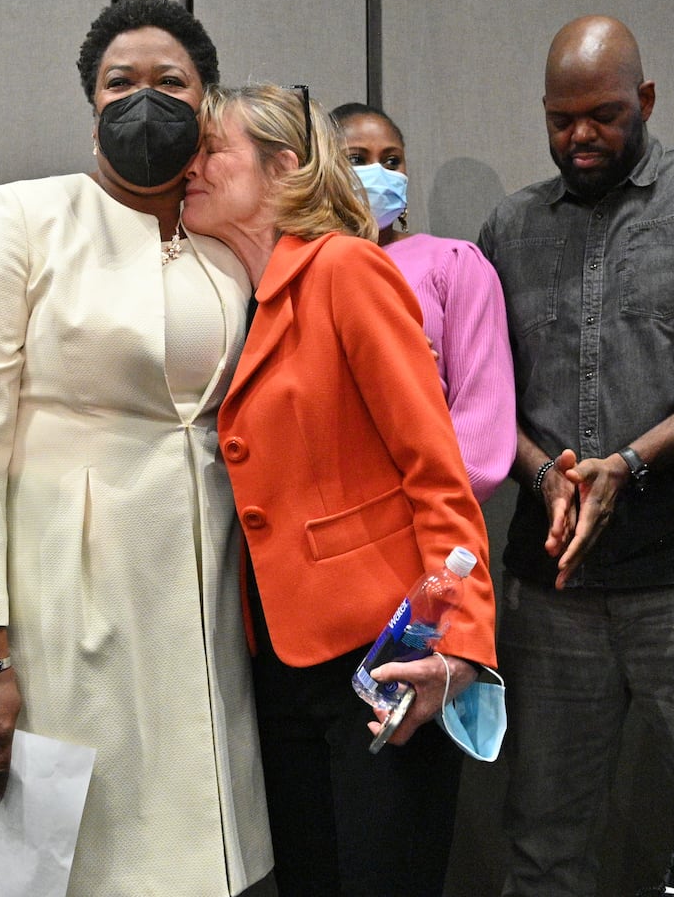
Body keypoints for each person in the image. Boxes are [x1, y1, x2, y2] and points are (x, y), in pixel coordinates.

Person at [0, 0, 273, 896]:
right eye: (121, 83)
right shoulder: (28, 216)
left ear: (205, 105)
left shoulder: (228, 250)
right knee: (72, 866)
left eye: (171, 83)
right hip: (62, 607)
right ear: (91, 110)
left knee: (196, 861)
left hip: (204, 608)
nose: (144, 100)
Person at [476, 16, 674, 895]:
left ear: (644, 99)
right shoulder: (510, 225)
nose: (580, 135)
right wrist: (544, 472)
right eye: (560, 118)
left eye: (604, 115)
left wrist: (630, 463)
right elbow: (483, 393)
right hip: (552, 591)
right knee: (542, 841)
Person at [183, 83, 496, 897]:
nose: (190, 166)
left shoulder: (345, 267)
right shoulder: (232, 299)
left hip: (381, 658)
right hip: (275, 665)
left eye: (211, 149)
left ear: (281, 167)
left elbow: (436, 470)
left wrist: (460, 645)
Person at [331, 102, 515, 503]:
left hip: (427, 510)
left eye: (391, 161)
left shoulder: (454, 264)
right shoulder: (300, 268)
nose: (379, 173)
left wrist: (429, 500)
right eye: (356, 159)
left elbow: (482, 415)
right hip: (325, 514)